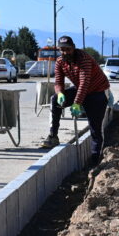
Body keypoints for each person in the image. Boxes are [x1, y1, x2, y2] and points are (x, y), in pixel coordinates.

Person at [42, 35, 110, 166]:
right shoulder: (60, 61)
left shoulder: (83, 59)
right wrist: (60, 93)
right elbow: (58, 81)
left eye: (67, 49)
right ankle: (53, 136)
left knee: (95, 128)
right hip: (80, 89)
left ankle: (95, 159)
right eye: (62, 49)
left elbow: (85, 83)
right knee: (55, 100)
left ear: (73, 48)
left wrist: (77, 103)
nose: (65, 52)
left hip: (97, 92)